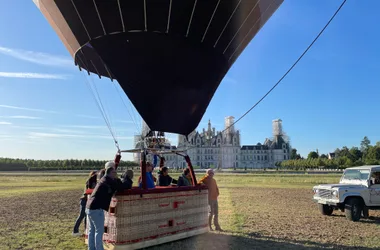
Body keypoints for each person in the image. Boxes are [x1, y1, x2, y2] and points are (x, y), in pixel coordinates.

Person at [86, 163, 123, 250]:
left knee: (92, 230)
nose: (115, 174)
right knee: (99, 231)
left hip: (89, 207)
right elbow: (121, 187)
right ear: (110, 173)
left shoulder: (103, 179)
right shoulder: (109, 180)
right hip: (96, 208)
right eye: (114, 173)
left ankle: (91, 248)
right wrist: (119, 179)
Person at [72, 170, 97, 236]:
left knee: (86, 217)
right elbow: (88, 191)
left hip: (87, 200)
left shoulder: (93, 182)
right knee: (81, 215)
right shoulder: (90, 182)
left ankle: (86, 230)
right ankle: (75, 231)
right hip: (84, 200)